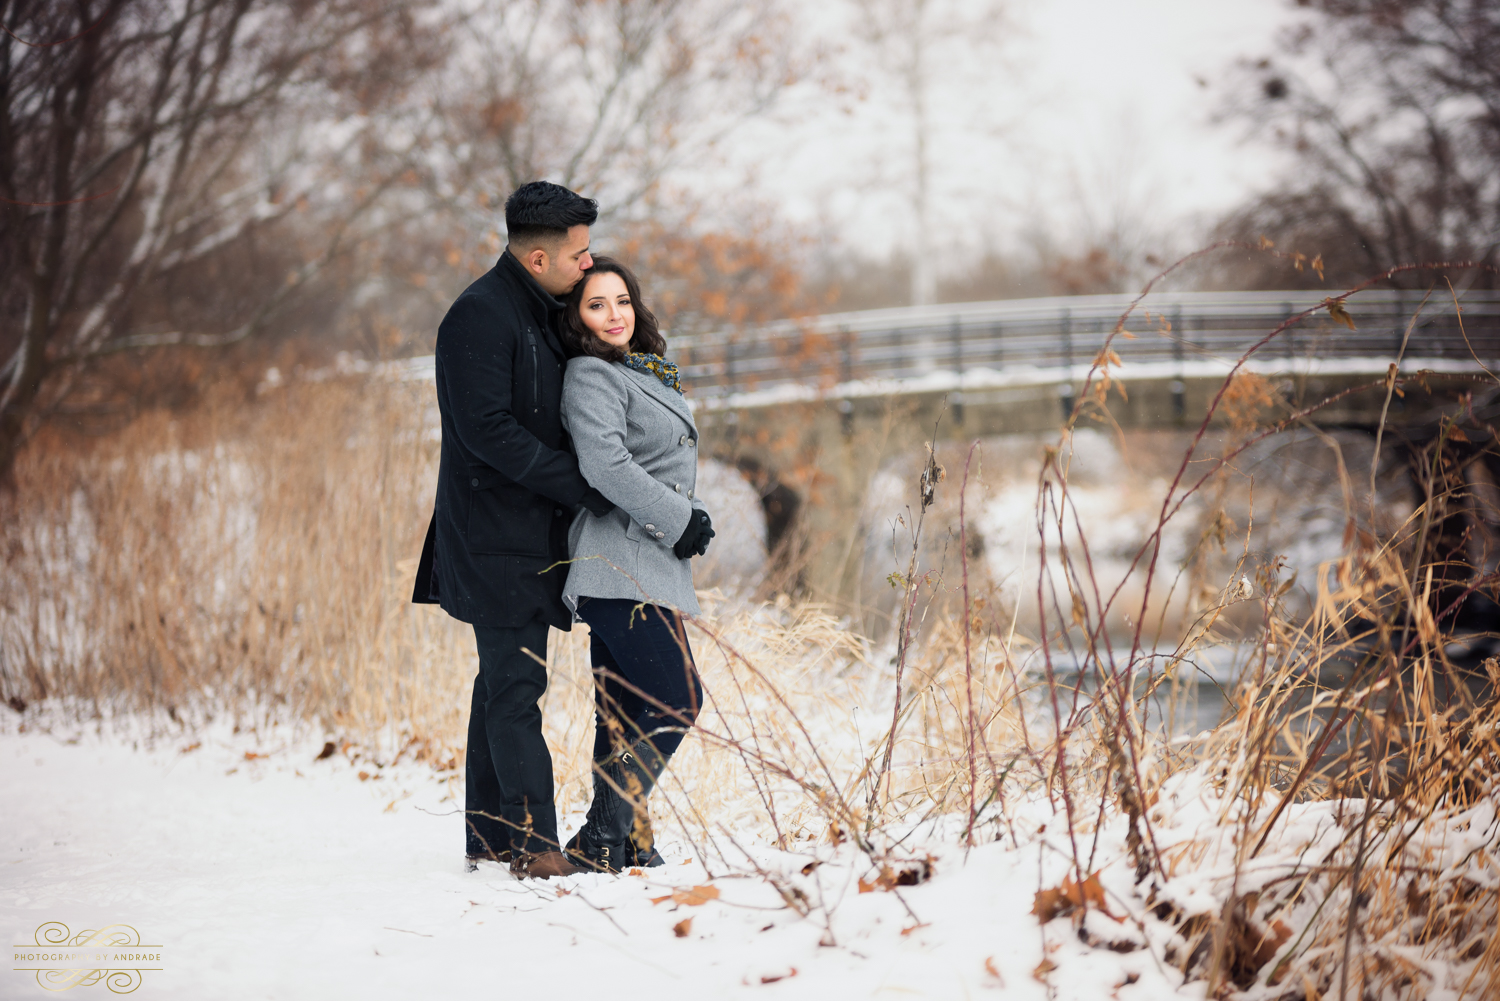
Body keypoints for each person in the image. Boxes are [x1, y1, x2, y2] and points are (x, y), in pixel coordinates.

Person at [412, 181, 612, 880]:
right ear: (536, 258)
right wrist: (583, 483)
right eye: (578, 255)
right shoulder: (479, 317)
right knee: (517, 685)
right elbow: (488, 433)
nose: (589, 265)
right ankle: (534, 842)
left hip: (531, 534)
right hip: (492, 538)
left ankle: (489, 833)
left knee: (501, 682)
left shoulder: (545, 312)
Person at [555, 256, 714, 872]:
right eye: (596, 304)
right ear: (577, 316)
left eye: (621, 301)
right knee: (678, 699)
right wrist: (679, 520)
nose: (613, 314)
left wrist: (694, 514)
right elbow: (606, 466)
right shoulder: (591, 374)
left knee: (619, 712)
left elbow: (669, 463)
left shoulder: (645, 372)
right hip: (618, 563)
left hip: (645, 562)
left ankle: (625, 840)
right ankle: (600, 833)